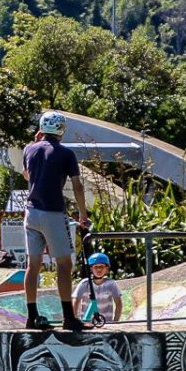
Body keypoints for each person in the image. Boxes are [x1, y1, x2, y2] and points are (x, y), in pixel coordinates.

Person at [22, 110, 89, 331]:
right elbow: (78, 186)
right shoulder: (66, 154)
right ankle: (68, 318)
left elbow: (27, 176)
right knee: (64, 264)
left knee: (33, 266)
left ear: (41, 128)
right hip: (53, 213)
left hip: (31, 213)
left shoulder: (28, 149)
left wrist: (34, 147)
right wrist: (82, 213)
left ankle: (32, 317)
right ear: (61, 130)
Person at [73, 252, 123, 325]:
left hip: (106, 324)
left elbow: (119, 304)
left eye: (101, 266)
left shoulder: (111, 284)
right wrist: (75, 320)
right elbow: (75, 301)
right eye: (96, 267)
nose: (99, 269)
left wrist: (115, 322)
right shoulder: (84, 283)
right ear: (91, 269)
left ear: (106, 269)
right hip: (87, 324)